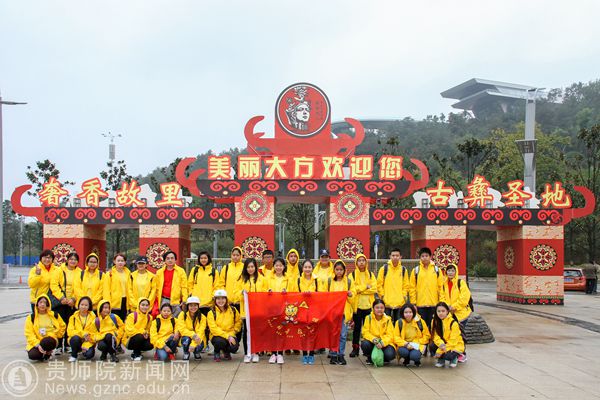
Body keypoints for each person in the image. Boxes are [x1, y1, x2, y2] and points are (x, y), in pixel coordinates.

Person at [409, 247, 444, 353]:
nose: (425, 258)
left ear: (430, 257)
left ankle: (433, 348)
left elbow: (441, 287)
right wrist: (413, 303)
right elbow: (412, 288)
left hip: (434, 305)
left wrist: (441, 302)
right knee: (421, 328)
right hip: (420, 305)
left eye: (426, 256)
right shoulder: (416, 271)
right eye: (422, 256)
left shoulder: (436, 270)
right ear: (420, 258)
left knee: (434, 327)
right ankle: (422, 348)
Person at [440, 263, 472, 363]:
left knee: (460, 334)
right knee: (451, 334)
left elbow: (464, 298)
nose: (450, 273)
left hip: (460, 314)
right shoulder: (444, 284)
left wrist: (454, 306)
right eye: (448, 271)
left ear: (456, 272)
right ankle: (454, 352)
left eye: (452, 271)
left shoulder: (460, 283)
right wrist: (447, 307)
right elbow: (441, 297)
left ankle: (462, 354)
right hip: (449, 313)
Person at [289, 259, 319, 364]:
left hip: (313, 309)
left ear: (312, 268)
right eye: (305, 267)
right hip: (301, 310)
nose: (307, 269)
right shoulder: (298, 280)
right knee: (303, 333)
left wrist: (312, 294)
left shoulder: (316, 280)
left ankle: (311, 354)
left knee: (312, 332)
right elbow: (294, 294)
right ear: (302, 268)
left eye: (309, 267)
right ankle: (305, 354)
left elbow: (321, 294)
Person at [50, 252, 79, 355]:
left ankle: (67, 344)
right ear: (67, 260)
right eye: (71, 259)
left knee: (70, 323)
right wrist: (61, 297)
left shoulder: (80, 272)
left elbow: (80, 287)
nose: (73, 261)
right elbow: (54, 285)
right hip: (61, 301)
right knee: (60, 324)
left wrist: (74, 299)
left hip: (73, 302)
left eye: (75, 260)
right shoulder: (59, 270)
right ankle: (58, 346)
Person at [326, 260, 355, 365]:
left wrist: (350, 295)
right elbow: (325, 296)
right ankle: (333, 354)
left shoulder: (349, 282)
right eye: (337, 269)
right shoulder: (330, 281)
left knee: (343, 335)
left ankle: (341, 354)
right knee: (333, 334)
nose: (339, 272)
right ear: (334, 270)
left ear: (344, 270)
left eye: (341, 270)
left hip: (344, 313)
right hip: (333, 313)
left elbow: (353, 298)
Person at [236, 257, 264, 363]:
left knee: (256, 332)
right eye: (248, 267)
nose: (250, 269)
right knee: (246, 332)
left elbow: (265, 292)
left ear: (255, 267)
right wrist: (241, 293)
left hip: (257, 310)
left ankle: (255, 352)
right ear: (245, 268)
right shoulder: (241, 279)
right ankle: (247, 353)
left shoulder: (261, 278)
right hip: (246, 310)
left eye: (252, 267)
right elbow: (235, 294)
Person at [349, 253, 377, 358]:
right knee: (356, 329)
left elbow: (374, 289)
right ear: (356, 262)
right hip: (357, 307)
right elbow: (353, 290)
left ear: (366, 262)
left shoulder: (370, 274)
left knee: (368, 329)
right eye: (359, 260)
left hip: (369, 307)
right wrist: (366, 287)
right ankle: (355, 349)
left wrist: (360, 290)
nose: (361, 262)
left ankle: (367, 349)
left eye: (363, 260)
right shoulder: (352, 275)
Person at [25, 295, 66, 361]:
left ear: (48, 304)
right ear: (37, 304)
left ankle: (48, 352)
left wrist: (57, 335)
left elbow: (62, 326)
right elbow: (29, 333)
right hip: (38, 340)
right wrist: (37, 344)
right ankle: (44, 354)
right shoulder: (31, 318)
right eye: (40, 302)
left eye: (45, 302)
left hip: (51, 339)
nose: (42, 304)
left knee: (48, 341)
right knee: (33, 355)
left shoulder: (54, 315)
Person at [263, 257, 289, 364]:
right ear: (274, 266)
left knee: (282, 331)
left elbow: (293, 291)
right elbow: (263, 290)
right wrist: (268, 291)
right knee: (273, 331)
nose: (278, 267)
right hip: (272, 308)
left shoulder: (288, 279)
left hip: (283, 309)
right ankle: (273, 353)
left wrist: (287, 292)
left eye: (280, 265)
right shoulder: (268, 278)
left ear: (284, 267)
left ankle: (280, 354)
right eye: (276, 265)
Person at [207, 289, 242, 362]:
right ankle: (217, 351)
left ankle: (226, 351)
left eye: (223, 298)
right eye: (218, 299)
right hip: (217, 335)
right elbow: (214, 329)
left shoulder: (233, 310)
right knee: (220, 342)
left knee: (234, 348)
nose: (221, 301)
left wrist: (234, 332)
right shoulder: (211, 313)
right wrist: (228, 337)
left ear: (226, 299)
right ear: (215, 300)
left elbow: (238, 322)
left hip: (230, 333)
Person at [376, 248, 409, 323]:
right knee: (386, 324)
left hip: (400, 303)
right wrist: (382, 296)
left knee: (399, 324)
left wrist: (403, 297)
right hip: (386, 302)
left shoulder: (403, 270)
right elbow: (379, 284)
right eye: (393, 255)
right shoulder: (384, 269)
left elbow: (406, 286)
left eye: (397, 255)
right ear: (390, 256)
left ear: (400, 257)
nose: (395, 257)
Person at [360, 299, 395, 365]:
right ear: (373, 308)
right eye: (377, 307)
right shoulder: (368, 318)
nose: (379, 309)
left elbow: (390, 335)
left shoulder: (388, 319)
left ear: (384, 309)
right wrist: (373, 339)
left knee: (390, 354)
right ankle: (370, 357)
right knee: (365, 344)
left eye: (381, 308)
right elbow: (365, 332)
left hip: (384, 343)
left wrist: (382, 342)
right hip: (373, 342)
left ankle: (384, 358)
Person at [431, 302, 465, 368]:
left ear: (447, 311)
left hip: (454, 345)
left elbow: (453, 341)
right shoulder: (434, 321)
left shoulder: (453, 323)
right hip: (444, 343)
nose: (441, 313)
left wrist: (440, 351)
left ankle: (454, 359)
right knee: (432, 346)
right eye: (438, 311)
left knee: (448, 356)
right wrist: (441, 344)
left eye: (443, 311)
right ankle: (441, 360)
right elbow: (435, 336)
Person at [155, 251, 188, 317]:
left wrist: (184, 300)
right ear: (164, 260)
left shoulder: (181, 271)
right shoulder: (159, 272)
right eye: (168, 258)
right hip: (164, 300)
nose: (170, 260)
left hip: (176, 301)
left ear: (175, 260)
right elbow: (156, 288)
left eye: (172, 258)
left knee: (177, 319)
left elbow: (184, 287)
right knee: (164, 319)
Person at [123, 297, 154, 361]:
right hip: (129, 340)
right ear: (138, 305)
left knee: (151, 343)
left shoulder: (149, 317)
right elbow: (129, 330)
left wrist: (147, 334)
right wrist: (143, 332)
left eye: (147, 305)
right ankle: (135, 353)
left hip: (142, 337)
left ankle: (139, 351)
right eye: (142, 305)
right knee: (139, 336)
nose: (145, 307)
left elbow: (148, 329)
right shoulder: (132, 316)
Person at [67, 296, 96, 362]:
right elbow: (70, 331)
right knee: (75, 338)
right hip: (77, 339)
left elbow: (94, 332)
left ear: (89, 306)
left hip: (87, 341)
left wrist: (86, 343)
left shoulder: (93, 317)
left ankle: (83, 351)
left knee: (89, 355)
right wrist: (82, 334)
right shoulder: (73, 317)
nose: (83, 307)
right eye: (82, 304)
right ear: (78, 305)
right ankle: (74, 355)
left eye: (86, 305)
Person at [103, 254, 131, 323]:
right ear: (114, 262)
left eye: (122, 261)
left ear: (125, 262)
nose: (120, 262)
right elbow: (106, 290)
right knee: (114, 322)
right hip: (114, 302)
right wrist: (107, 304)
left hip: (125, 301)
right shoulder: (109, 274)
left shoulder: (128, 273)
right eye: (118, 261)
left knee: (123, 321)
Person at [177, 296, 207, 361]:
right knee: (186, 340)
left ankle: (196, 352)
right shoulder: (182, 315)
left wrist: (193, 344)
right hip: (187, 336)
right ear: (188, 306)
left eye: (195, 305)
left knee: (199, 344)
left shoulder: (202, 317)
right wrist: (193, 335)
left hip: (198, 337)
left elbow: (201, 331)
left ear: (198, 306)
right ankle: (186, 353)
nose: (193, 307)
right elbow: (182, 329)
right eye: (191, 305)